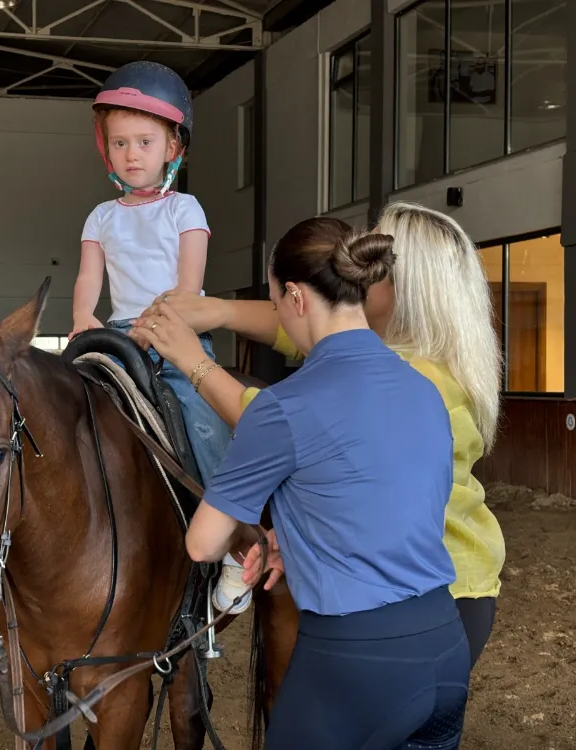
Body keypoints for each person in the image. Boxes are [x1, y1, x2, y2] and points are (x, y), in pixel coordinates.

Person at [134, 216, 471, 748]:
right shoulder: (423, 388)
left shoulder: (283, 408)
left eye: (272, 302)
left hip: (353, 658)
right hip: (445, 647)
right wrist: (294, 541)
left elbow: (202, 544)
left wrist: (250, 536)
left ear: (293, 296)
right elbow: (392, 501)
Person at [67, 61, 246, 613]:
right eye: (119, 143)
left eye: (145, 141)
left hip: (175, 331)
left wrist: (156, 331)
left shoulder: (184, 209)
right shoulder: (100, 217)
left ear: (173, 146)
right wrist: (81, 320)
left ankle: (236, 535)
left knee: (200, 412)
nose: (132, 154)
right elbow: (87, 280)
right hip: (118, 335)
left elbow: (187, 287)